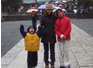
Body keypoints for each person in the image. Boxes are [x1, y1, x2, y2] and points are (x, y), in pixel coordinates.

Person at [40, 4, 57, 68]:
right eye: (48, 10)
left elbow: (57, 24)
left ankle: (52, 62)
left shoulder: (54, 17)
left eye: (50, 10)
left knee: (52, 50)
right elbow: (41, 25)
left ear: (51, 10)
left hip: (52, 34)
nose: (49, 11)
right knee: (46, 50)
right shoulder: (43, 17)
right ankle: (46, 62)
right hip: (45, 35)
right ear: (46, 10)